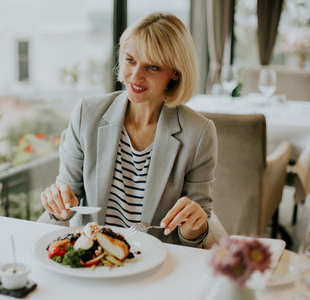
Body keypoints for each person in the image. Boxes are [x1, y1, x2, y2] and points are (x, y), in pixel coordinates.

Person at [40, 12, 217, 246]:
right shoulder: (87, 113)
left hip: (156, 263)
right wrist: (59, 206)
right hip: (92, 255)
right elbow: (66, 200)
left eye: (152, 67)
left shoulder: (199, 132)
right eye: (130, 60)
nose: (135, 76)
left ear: (175, 72)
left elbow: (194, 234)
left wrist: (194, 225)